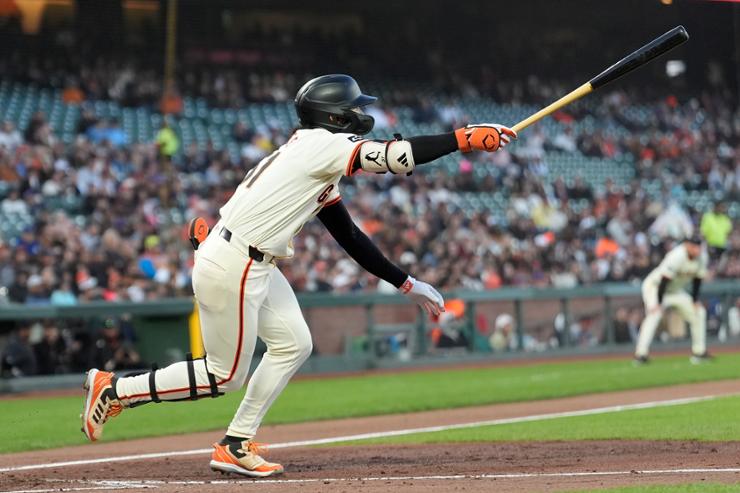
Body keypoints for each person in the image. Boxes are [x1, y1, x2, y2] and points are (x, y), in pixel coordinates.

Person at [80, 74, 516, 477]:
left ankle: (235, 443)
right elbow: (396, 157)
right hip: (236, 262)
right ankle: (116, 388)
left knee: (294, 344)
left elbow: (346, 233)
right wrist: (462, 139)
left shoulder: (312, 151)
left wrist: (406, 282)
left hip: (251, 261)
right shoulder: (322, 146)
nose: (360, 112)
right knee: (223, 376)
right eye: (352, 106)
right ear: (335, 115)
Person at [634, 235, 710, 365]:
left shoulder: (702, 257)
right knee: (654, 314)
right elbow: (664, 280)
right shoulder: (677, 255)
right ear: (686, 245)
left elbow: (698, 280)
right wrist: (658, 303)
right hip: (656, 287)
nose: (696, 248)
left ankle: (699, 352)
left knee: (699, 312)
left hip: (675, 291)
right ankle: (641, 354)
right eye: (693, 245)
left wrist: (695, 300)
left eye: (698, 245)